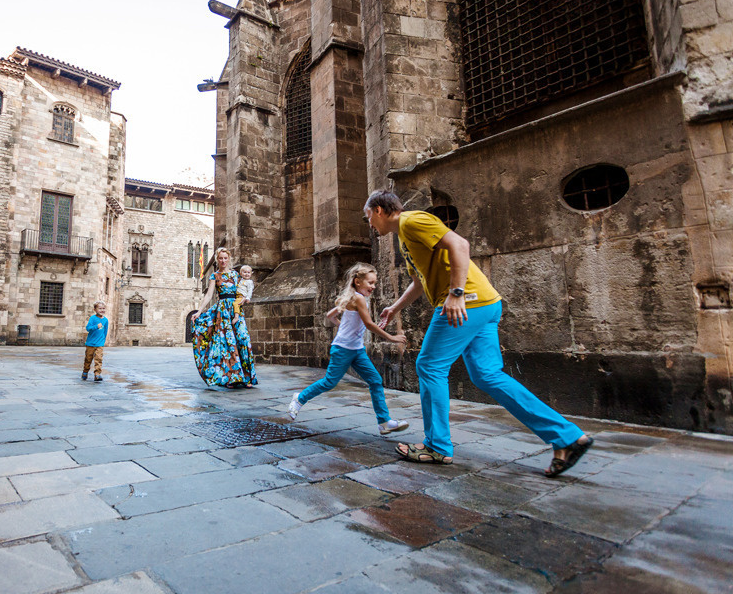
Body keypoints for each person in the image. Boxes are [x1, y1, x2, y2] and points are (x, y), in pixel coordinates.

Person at [366, 190, 593, 477]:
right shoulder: (404, 236)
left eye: (369, 218)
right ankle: (567, 437)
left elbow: (460, 244)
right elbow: (419, 282)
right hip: (486, 303)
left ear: (378, 210)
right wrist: (394, 308)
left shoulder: (411, 221)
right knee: (487, 374)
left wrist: (457, 293)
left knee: (429, 365)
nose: (370, 226)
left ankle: (436, 447)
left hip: (467, 302)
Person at [287, 263, 410, 436]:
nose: (374, 286)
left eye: (375, 283)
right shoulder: (358, 298)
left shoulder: (352, 296)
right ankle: (299, 398)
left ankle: (384, 422)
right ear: (357, 281)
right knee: (330, 382)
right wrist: (392, 338)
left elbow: (330, 315)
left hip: (356, 350)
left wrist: (343, 326)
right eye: (371, 283)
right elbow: (368, 324)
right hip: (343, 349)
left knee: (375, 380)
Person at [191, 248, 258, 388]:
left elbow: (244, 287)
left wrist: (245, 299)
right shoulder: (214, 276)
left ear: (229, 259)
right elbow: (209, 295)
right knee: (228, 344)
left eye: (225, 258)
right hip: (222, 311)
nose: (223, 261)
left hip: (235, 310)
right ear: (217, 259)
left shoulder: (235, 274)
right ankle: (231, 378)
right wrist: (199, 311)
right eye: (220, 258)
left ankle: (247, 377)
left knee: (243, 339)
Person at [82, 301, 109, 382]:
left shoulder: (106, 320)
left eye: (103, 308)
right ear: (95, 309)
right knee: (88, 359)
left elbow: (105, 331)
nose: (102, 310)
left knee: (99, 359)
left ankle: (97, 374)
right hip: (90, 343)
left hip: (99, 343)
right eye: (100, 308)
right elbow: (88, 328)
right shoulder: (93, 318)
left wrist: (103, 341)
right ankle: (85, 371)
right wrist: (96, 326)